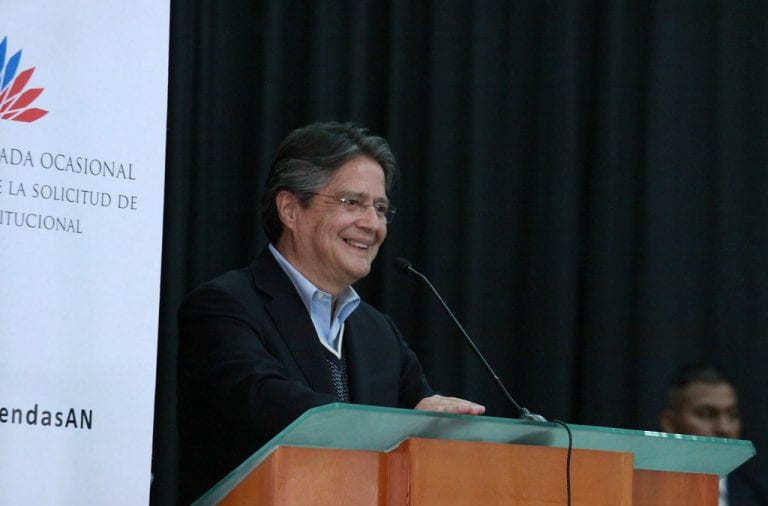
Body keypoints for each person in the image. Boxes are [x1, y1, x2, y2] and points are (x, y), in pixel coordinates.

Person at [176, 121, 485, 503]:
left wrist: (442, 425)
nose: (371, 224)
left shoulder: (378, 333)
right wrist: (398, 425)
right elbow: (265, 404)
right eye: (351, 202)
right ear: (290, 209)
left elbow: (421, 422)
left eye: (380, 208)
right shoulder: (224, 306)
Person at [659, 364, 767, 506]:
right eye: (707, 414)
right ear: (669, 422)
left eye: (732, 415)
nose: (724, 428)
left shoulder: (760, 495)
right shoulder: (640, 489)